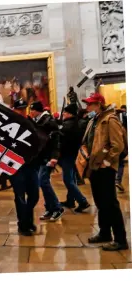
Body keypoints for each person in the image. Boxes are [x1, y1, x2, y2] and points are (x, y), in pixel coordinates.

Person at [82, 93, 128, 251]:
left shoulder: (110, 119)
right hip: (94, 166)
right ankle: (104, 233)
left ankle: (121, 240)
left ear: (99, 104)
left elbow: (118, 145)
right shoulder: (94, 120)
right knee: (100, 202)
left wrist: (106, 163)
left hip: (105, 168)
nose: (87, 107)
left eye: (90, 104)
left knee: (110, 203)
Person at [29, 101, 64, 221]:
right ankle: (49, 208)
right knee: (43, 182)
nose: (31, 112)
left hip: (48, 156)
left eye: (32, 110)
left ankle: (57, 208)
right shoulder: (38, 120)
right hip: (41, 157)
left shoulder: (49, 121)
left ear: (38, 110)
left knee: (43, 181)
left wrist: (55, 156)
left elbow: (56, 140)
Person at [9, 99, 40, 236]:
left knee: (34, 196)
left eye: (24, 108)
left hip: (31, 165)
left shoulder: (31, 122)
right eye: (19, 109)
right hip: (16, 166)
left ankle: (28, 219)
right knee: (20, 196)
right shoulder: (9, 124)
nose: (22, 111)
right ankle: (23, 224)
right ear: (14, 109)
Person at [59, 104, 90, 212]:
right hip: (73, 154)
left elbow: (61, 141)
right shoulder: (77, 123)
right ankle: (70, 200)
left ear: (70, 114)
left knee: (68, 180)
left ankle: (82, 201)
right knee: (71, 179)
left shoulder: (67, 125)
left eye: (65, 112)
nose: (63, 113)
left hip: (67, 155)